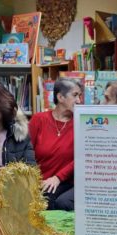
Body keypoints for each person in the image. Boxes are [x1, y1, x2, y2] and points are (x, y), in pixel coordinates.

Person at [29, 78, 82, 211]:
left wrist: (58, 178)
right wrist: (33, 180)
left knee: (49, 198)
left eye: (80, 96)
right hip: (38, 181)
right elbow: (27, 152)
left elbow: (81, 158)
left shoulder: (81, 123)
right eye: (75, 95)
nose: (79, 101)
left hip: (66, 182)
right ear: (60, 97)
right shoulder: (38, 120)